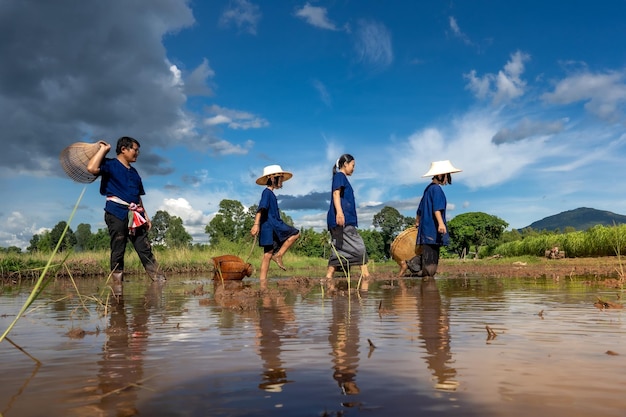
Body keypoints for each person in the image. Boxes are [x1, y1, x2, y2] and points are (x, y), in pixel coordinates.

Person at [87, 136, 165, 293]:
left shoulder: (135, 173)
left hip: (135, 214)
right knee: (118, 247)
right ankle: (117, 285)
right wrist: (103, 150)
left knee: (144, 247)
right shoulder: (109, 164)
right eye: (135, 150)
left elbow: (138, 197)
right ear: (124, 149)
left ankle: (159, 280)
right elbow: (91, 169)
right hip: (116, 212)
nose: (137, 153)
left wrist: (145, 216)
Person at [324, 154, 370, 291]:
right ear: (346, 164)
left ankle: (328, 277)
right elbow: (336, 194)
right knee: (359, 247)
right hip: (342, 219)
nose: (353, 168)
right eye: (353, 165)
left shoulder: (342, 178)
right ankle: (366, 276)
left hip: (340, 219)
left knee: (338, 249)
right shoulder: (340, 176)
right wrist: (339, 212)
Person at [250, 165, 300, 289]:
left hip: (270, 226)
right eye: (280, 178)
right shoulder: (267, 193)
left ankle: (263, 284)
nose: (282, 180)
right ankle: (279, 255)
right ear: (272, 178)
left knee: (267, 255)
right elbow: (261, 209)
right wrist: (256, 224)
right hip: (272, 225)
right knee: (295, 233)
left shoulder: (270, 193)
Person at [413, 160, 461, 278]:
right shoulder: (436, 189)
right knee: (431, 263)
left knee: (428, 256)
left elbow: (419, 209)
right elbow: (437, 209)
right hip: (432, 230)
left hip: (426, 230)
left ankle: (414, 267)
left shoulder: (428, 189)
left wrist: (417, 222)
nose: (447, 180)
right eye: (447, 176)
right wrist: (441, 224)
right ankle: (422, 278)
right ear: (440, 175)